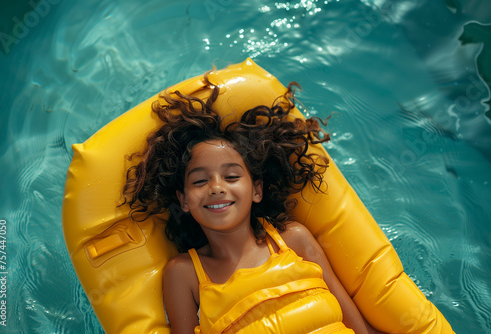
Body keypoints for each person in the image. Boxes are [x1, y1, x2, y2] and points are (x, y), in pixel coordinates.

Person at [121, 72, 384, 334]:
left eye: (232, 176)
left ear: (257, 190)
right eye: (200, 181)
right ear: (184, 201)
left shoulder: (293, 240)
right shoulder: (184, 274)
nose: (216, 188)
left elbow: (354, 321)